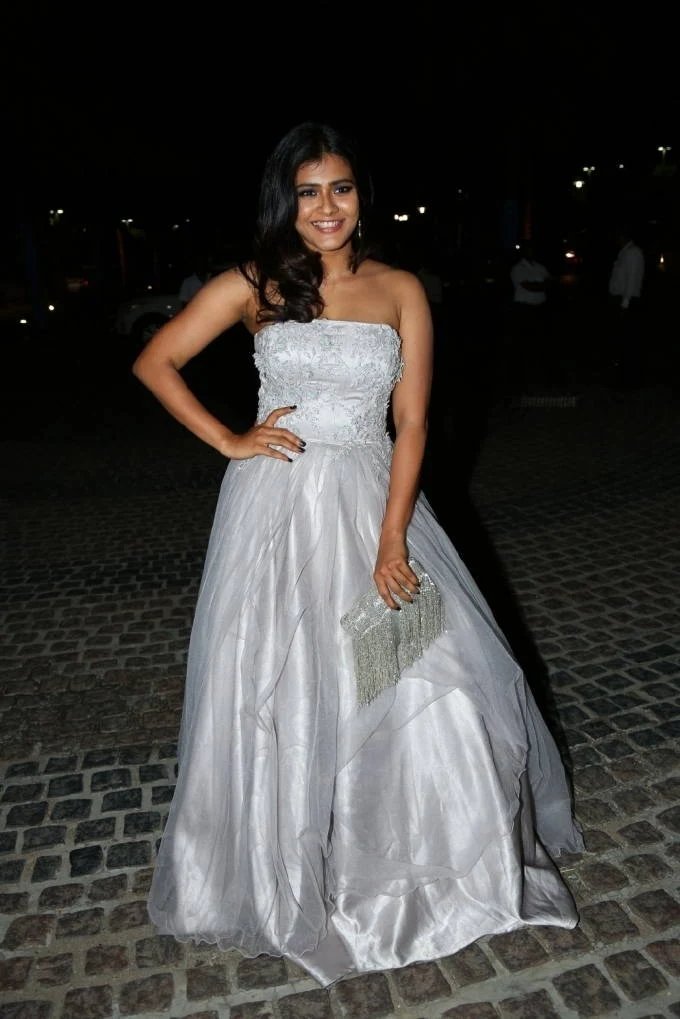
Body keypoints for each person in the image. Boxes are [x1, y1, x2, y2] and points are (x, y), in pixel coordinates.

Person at [133, 122, 583, 988]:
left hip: (377, 502)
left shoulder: (400, 288)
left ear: (360, 196)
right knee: (286, 683)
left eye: (339, 188)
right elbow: (157, 360)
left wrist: (390, 536)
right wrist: (229, 438)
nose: (326, 207)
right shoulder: (253, 285)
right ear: (286, 202)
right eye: (307, 192)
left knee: (421, 671)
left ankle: (432, 860)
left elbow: (412, 422)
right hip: (276, 510)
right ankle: (296, 864)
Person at [507, 240, 552, 392]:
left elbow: (549, 282)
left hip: (540, 308)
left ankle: (539, 373)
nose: (531, 252)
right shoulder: (517, 268)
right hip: (524, 310)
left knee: (540, 341)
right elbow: (528, 286)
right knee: (524, 342)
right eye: (528, 249)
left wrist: (540, 285)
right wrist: (541, 285)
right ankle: (521, 377)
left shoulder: (539, 267)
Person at [608, 224, 645, 388]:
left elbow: (632, 280)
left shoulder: (633, 252)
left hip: (628, 302)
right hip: (622, 300)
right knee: (622, 340)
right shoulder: (624, 252)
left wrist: (625, 304)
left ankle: (628, 379)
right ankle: (623, 376)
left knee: (628, 342)